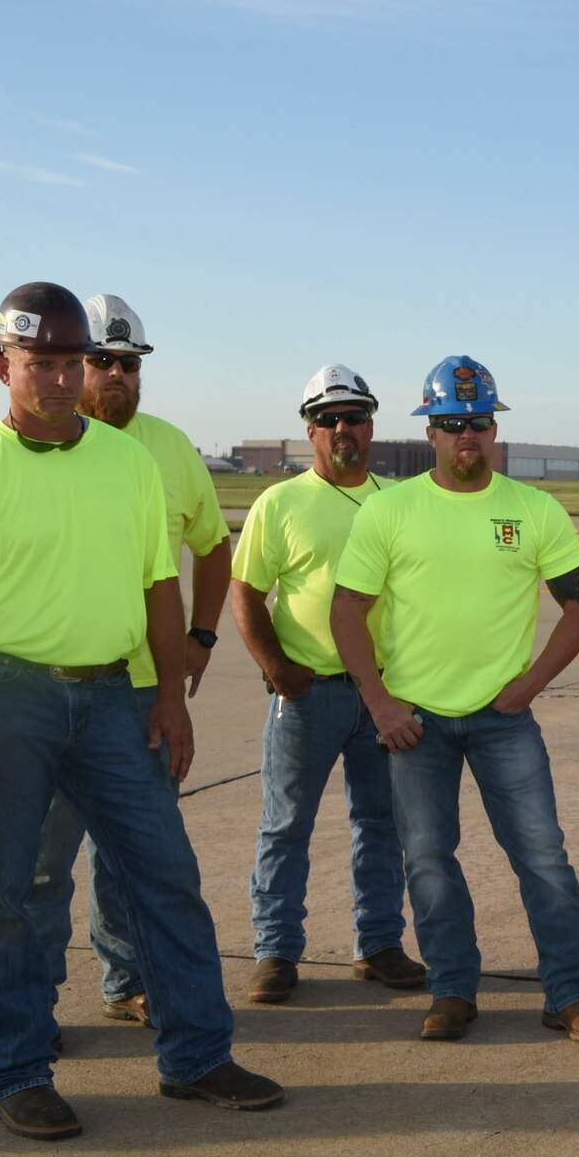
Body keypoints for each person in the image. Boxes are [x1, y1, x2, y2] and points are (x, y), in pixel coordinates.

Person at [0, 283, 283, 1140]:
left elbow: (161, 584)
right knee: (4, 892)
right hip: (6, 696)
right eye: (37, 363)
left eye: (68, 361)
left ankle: (196, 1054)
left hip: (116, 698)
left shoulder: (130, 464)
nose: (55, 378)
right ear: (2, 365)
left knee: (165, 876)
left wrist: (169, 693)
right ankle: (16, 1071)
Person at [329, 354, 579, 1044]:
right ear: (429, 430)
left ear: (495, 431)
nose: (468, 436)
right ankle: (452, 989)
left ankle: (571, 993)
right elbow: (347, 611)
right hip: (416, 721)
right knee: (428, 858)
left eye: (480, 423)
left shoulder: (533, 509)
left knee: (543, 852)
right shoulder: (389, 510)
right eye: (453, 423)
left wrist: (531, 682)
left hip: (503, 718)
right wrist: (379, 702)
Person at [27, 294, 232, 1029]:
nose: (116, 375)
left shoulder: (168, 449)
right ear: (70, 364)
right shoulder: (31, 450)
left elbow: (212, 546)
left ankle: (126, 982)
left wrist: (201, 639)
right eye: (101, 361)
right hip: (45, 694)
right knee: (43, 863)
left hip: (144, 693)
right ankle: (34, 1002)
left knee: (131, 859)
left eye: (128, 363)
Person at [230, 363, 423, 1004]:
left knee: (382, 825)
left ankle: (380, 946)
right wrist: (278, 668)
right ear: (309, 430)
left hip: (386, 695)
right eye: (328, 418)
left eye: (355, 416)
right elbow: (246, 593)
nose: (343, 428)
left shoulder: (401, 500)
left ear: (372, 425)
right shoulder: (280, 503)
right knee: (286, 825)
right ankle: (276, 952)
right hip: (308, 694)